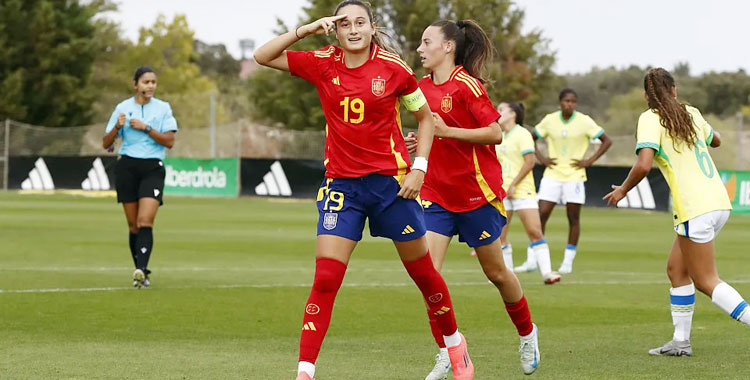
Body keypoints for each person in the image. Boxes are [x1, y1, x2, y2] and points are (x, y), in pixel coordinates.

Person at [253, 2, 474, 379]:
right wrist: (306, 29)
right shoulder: (323, 62)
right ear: (335, 30)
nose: (352, 30)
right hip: (341, 186)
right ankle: (305, 372)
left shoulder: (394, 69)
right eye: (344, 24)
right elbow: (262, 56)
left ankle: (455, 344)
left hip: (391, 186)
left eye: (360, 23)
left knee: (423, 274)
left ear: (373, 27)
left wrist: (419, 168)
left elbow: (423, 118)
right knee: (325, 278)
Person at [409, 19, 539, 379]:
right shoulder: (419, 88)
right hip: (436, 196)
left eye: (426, 42)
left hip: (475, 195)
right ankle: (449, 350)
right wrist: (416, 142)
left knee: (496, 273)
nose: (420, 49)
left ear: (448, 47)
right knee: (428, 276)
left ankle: (528, 334)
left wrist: (448, 131)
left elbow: (496, 133)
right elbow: (427, 131)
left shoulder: (468, 85)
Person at [604, 67, 749, 356]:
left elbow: (644, 164)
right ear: (674, 91)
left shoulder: (650, 118)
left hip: (694, 207)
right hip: (718, 201)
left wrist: (622, 190)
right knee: (676, 269)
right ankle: (680, 342)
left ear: (647, 96)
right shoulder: (690, 113)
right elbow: (716, 140)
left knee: (707, 281)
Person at [102, 66, 177, 289]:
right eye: (146, 82)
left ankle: (142, 270)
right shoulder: (122, 108)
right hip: (127, 167)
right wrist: (117, 126)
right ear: (135, 84)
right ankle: (140, 270)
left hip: (152, 167)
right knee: (133, 225)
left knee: (146, 221)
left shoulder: (163, 108)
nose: (151, 86)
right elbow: (106, 143)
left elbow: (169, 141)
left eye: (153, 82)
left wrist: (146, 128)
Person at [531, 88, 612, 274]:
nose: (570, 104)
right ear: (560, 103)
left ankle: (567, 262)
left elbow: (606, 141)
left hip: (574, 176)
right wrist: (541, 158)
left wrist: (589, 161)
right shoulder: (550, 119)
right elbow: (531, 138)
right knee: (541, 214)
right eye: (567, 101)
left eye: (573, 101)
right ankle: (535, 257)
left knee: (573, 217)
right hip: (552, 174)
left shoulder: (584, 121)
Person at [496, 102, 561, 285]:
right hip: (502, 192)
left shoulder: (522, 134)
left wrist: (514, 184)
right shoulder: (500, 136)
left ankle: (547, 273)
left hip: (523, 191)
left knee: (534, 231)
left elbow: (529, 162)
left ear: (513, 114)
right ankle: (507, 276)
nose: (497, 113)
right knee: (500, 235)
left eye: (501, 110)